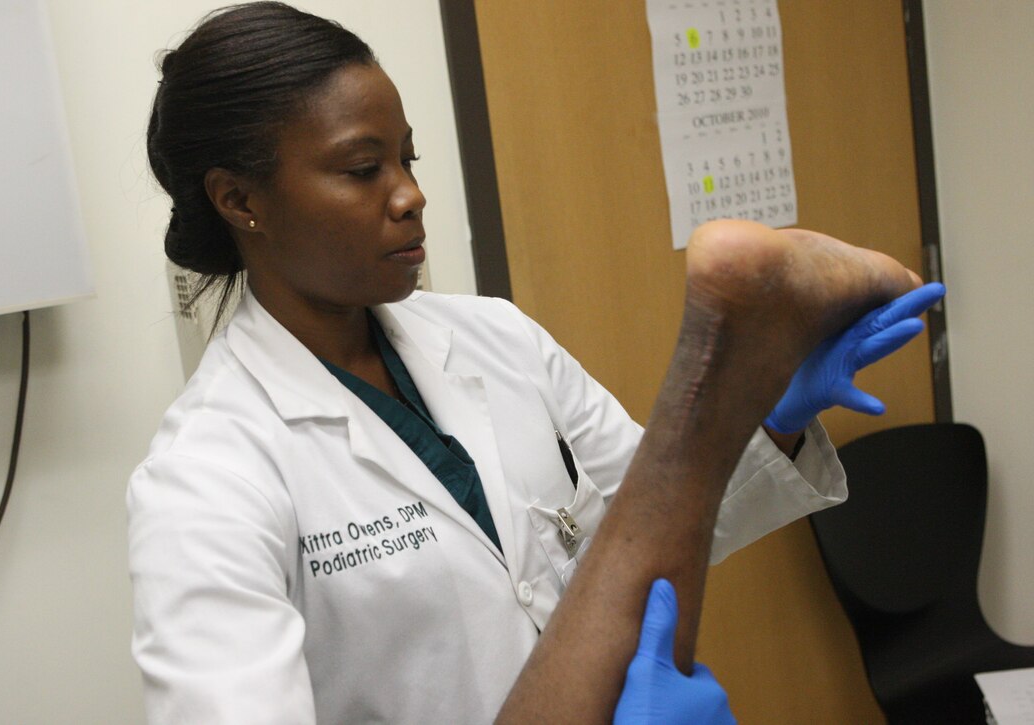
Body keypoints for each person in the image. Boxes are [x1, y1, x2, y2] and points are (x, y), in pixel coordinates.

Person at [129, 3, 943, 723]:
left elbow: (653, 519)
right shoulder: (207, 477)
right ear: (241, 201)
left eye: (409, 160)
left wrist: (770, 415)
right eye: (362, 168)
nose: (410, 194)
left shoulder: (495, 339)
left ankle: (727, 363)